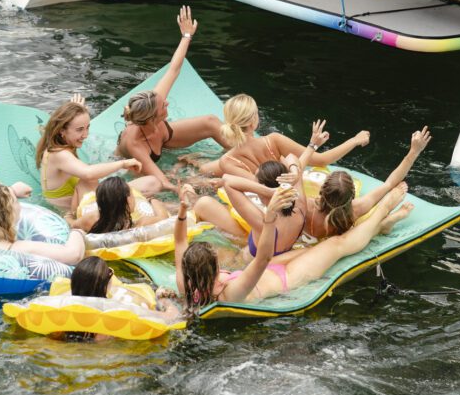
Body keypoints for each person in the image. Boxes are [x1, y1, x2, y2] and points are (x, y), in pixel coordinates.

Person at [174, 181, 412, 314]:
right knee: (337, 245)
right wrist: (269, 217)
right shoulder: (230, 292)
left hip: (273, 268)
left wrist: (184, 210)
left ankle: (381, 227)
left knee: (319, 247)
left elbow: (179, 243)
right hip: (288, 277)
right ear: (211, 269)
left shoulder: (185, 283)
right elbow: (263, 257)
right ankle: (384, 210)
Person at [115, 6, 229, 192]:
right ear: (152, 117)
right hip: (144, 157)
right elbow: (163, 182)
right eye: (163, 106)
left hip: (162, 137)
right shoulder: (135, 144)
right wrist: (185, 191)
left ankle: (246, 153)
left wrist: (186, 35)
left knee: (210, 121)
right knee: (167, 182)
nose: (166, 102)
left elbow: (174, 68)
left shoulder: (154, 100)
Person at [192, 120, 330, 258]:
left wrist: (268, 192)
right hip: (279, 247)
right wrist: (298, 167)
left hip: (242, 260)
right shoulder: (300, 206)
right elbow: (292, 158)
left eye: (256, 183)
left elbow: (228, 181)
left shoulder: (264, 223)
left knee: (203, 203)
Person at [304, 126, 431, 240]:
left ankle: (384, 224)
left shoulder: (304, 205)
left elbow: (295, 170)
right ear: (352, 197)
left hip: (311, 234)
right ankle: (384, 224)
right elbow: (389, 184)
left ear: (321, 190)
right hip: (339, 234)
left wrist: (313, 144)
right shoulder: (356, 210)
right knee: (365, 228)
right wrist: (414, 151)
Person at [35, 95, 153, 213]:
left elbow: (53, 126)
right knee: (89, 181)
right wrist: (122, 163)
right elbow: (88, 173)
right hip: (76, 213)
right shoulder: (58, 154)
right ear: (62, 130)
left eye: (87, 127)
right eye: (80, 129)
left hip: (87, 201)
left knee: (152, 183)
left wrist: (77, 109)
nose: (85, 134)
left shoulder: (59, 140)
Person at [216, 94, 370, 180]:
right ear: (252, 122)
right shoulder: (274, 140)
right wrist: (354, 140)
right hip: (285, 203)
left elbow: (259, 187)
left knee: (207, 169)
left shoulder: (227, 161)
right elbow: (322, 160)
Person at [61, 257, 183, 342]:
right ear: (105, 285)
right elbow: (173, 317)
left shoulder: (63, 305)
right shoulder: (119, 310)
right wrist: (164, 300)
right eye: (110, 272)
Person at [0, 183, 85, 265]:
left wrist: (11, 190)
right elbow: (74, 255)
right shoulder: (18, 249)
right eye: (15, 201)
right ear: (9, 214)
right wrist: (78, 229)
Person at [65, 175, 169, 233]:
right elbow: (163, 217)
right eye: (132, 194)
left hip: (96, 216)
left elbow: (72, 224)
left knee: (82, 183)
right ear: (128, 200)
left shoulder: (91, 219)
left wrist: (69, 215)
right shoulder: (139, 224)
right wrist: (153, 201)